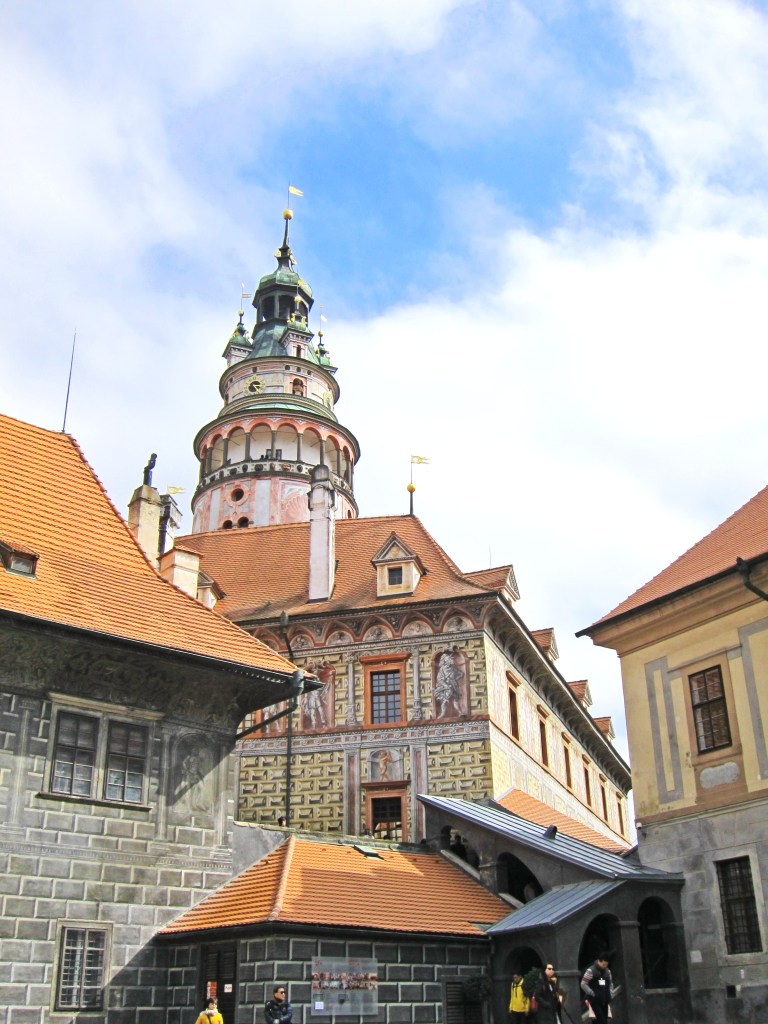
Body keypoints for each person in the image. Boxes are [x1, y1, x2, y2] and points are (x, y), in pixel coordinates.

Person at [581, 952, 614, 1024]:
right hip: (594, 1001)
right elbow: (583, 984)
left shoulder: (607, 972)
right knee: (599, 1021)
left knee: (604, 1020)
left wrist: (611, 993)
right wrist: (592, 993)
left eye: (606, 964)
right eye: (603, 964)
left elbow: (610, 984)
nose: (605, 966)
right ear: (599, 961)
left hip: (605, 1000)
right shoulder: (590, 971)